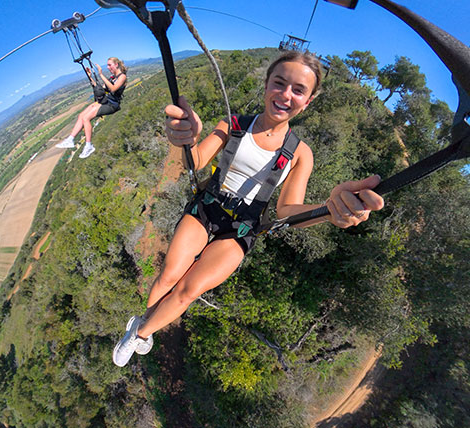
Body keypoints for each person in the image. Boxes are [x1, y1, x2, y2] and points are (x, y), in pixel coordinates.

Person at [112, 51, 385, 367]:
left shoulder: (299, 154)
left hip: (242, 228)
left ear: (308, 101)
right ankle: (145, 324)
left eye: (298, 90)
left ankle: (140, 332)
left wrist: (326, 208)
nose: (285, 95)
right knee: (170, 274)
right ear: (267, 84)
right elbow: (196, 162)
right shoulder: (233, 124)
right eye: (279, 83)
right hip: (208, 207)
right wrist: (187, 139)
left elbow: (286, 212)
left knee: (189, 289)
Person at [55, 57, 127, 158]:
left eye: (109, 65)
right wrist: (90, 77)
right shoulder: (113, 78)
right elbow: (102, 88)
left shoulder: (122, 77)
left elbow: (114, 88)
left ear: (116, 65)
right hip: (106, 101)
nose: (108, 67)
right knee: (81, 115)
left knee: (86, 118)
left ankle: (88, 146)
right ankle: (70, 139)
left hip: (112, 105)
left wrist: (101, 74)